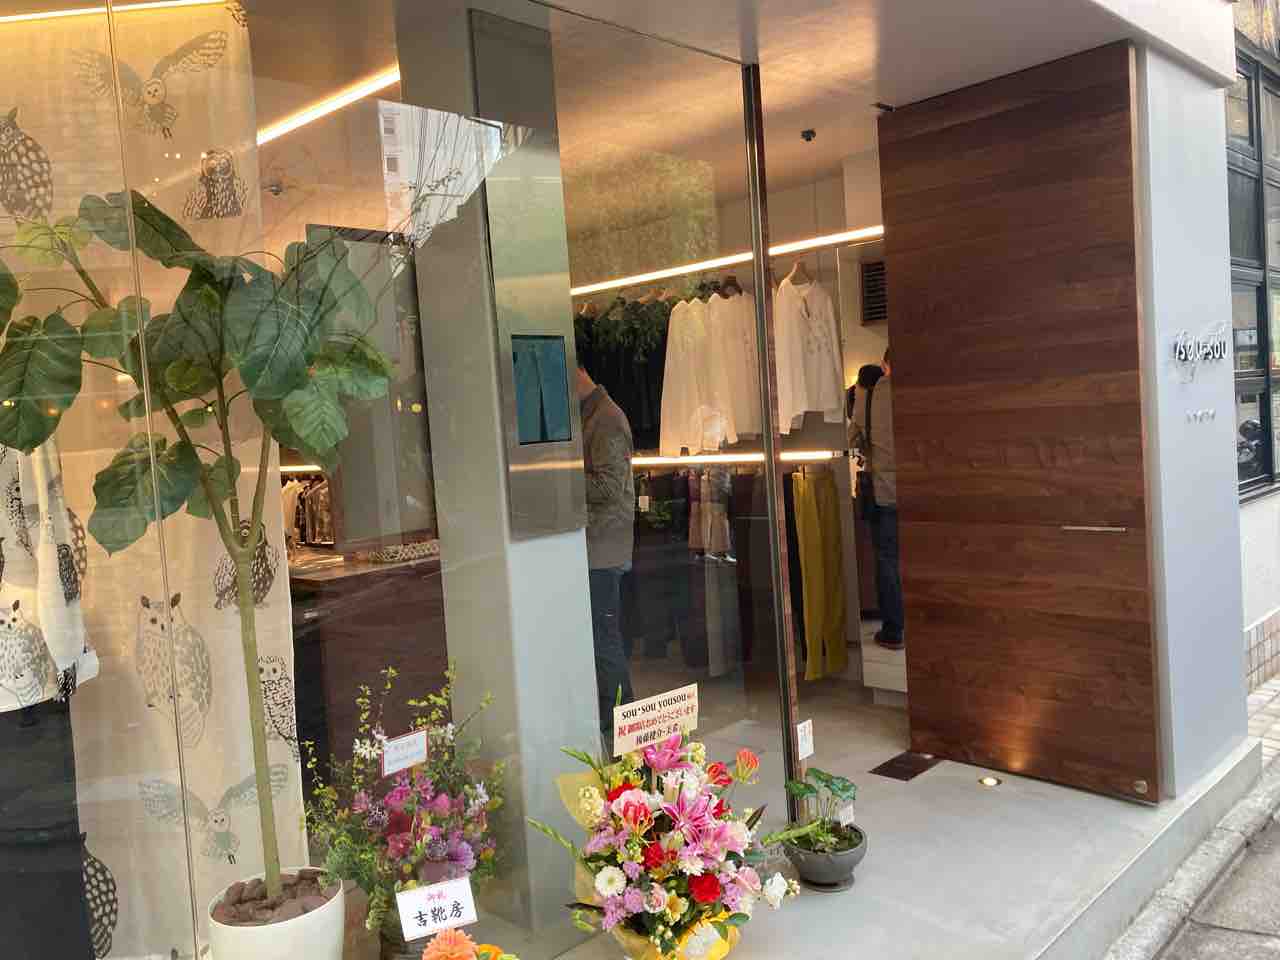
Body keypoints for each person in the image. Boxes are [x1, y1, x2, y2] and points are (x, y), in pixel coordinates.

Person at [577, 363, 636, 742]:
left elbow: (609, 487)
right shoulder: (593, 415)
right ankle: (613, 723)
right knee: (601, 639)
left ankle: (623, 731)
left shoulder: (607, 418)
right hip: (597, 546)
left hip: (604, 549)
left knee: (604, 641)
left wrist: (559, 476)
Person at [850, 347, 903, 650]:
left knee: (888, 561)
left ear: (885, 364)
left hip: (886, 493)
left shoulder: (868, 395)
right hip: (927, 493)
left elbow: (853, 437)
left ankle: (894, 631)